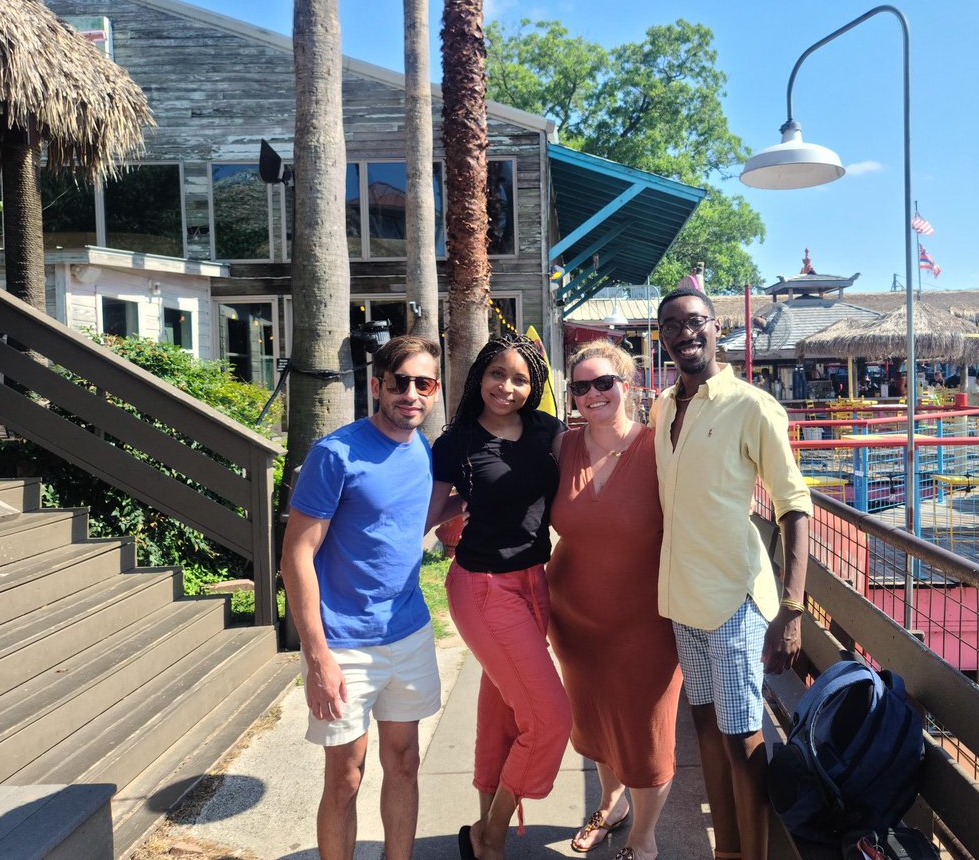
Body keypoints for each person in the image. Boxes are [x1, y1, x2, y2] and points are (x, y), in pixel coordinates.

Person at [651, 288, 813, 860]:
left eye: (694, 321)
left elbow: (794, 505)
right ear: (662, 336)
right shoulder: (664, 407)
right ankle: (726, 850)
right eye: (671, 324)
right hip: (682, 597)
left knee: (744, 737)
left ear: (716, 327)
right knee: (707, 730)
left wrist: (792, 609)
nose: (684, 332)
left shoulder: (752, 406)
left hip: (734, 599)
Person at [281, 335, 444, 860]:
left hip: (411, 632)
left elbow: (403, 522)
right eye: (400, 383)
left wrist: (469, 502)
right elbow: (296, 558)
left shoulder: (421, 449)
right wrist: (317, 657)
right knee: (345, 776)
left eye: (425, 384)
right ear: (377, 386)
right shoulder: (336, 454)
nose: (412, 394)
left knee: (404, 763)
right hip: (346, 645)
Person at [429, 334, 570, 860]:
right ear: (478, 377)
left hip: (535, 583)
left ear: (534, 388)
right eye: (496, 375)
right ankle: (490, 838)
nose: (506, 387)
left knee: (505, 711)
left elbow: (590, 470)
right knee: (550, 716)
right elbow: (431, 511)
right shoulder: (456, 441)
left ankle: (484, 826)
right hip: (483, 587)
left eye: (520, 379)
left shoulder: (547, 431)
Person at [549, 340, 682, 860]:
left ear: (627, 385)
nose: (593, 394)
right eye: (581, 387)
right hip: (575, 619)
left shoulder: (661, 447)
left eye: (604, 382)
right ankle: (611, 803)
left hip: (647, 620)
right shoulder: (562, 448)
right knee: (596, 719)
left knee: (649, 732)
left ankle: (644, 839)